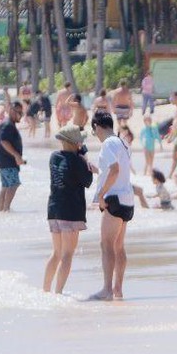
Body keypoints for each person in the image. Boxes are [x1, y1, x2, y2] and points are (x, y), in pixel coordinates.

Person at [87, 110, 133, 301]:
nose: (95, 135)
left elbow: (114, 170)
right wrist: (97, 170)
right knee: (119, 247)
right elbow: (115, 171)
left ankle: (107, 289)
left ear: (97, 126)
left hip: (114, 198)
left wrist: (101, 193)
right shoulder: (123, 142)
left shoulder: (107, 144)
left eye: (94, 130)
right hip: (127, 200)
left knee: (106, 245)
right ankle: (117, 290)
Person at [42, 125, 91, 295]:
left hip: (53, 208)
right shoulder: (78, 161)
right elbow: (88, 180)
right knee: (67, 255)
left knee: (56, 253)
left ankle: (45, 291)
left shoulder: (54, 157)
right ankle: (58, 293)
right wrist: (84, 156)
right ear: (75, 143)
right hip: (70, 211)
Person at [0, 102, 25, 212]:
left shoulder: (8, 124)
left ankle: (1, 210)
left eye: (22, 113)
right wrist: (16, 155)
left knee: (6, 186)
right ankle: (6, 209)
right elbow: (4, 141)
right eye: (19, 112)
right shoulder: (7, 125)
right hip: (7, 161)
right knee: (14, 184)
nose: (21, 115)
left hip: (3, 161)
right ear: (12, 110)